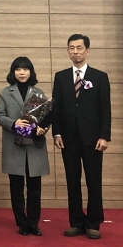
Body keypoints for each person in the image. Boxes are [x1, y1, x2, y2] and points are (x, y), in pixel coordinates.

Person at [52, 34, 111, 240]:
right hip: (68, 138)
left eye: (79, 48)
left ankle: (93, 223)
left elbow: (106, 110)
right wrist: (57, 132)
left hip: (93, 139)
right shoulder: (60, 77)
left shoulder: (100, 77)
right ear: (68, 51)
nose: (75, 52)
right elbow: (56, 108)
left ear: (87, 50)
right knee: (72, 181)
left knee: (93, 181)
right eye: (71, 48)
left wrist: (104, 136)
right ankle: (76, 222)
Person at [0, 57, 51, 236]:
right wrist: (14, 123)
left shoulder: (38, 93)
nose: (21, 73)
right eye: (18, 69)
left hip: (34, 146)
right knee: (16, 188)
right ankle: (22, 224)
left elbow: (45, 118)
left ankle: (34, 224)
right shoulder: (6, 92)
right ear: (13, 72)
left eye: (25, 69)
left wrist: (43, 128)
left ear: (30, 72)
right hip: (14, 145)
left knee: (35, 188)